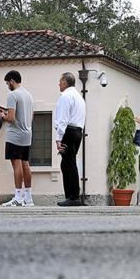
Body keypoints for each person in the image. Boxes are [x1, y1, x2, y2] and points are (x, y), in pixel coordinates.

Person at [1, 70, 34, 207]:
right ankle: (28, 198)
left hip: (15, 135)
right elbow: (31, 116)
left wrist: (3, 115)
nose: (8, 85)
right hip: (27, 133)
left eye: (8, 83)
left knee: (16, 164)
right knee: (25, 163)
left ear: (12, 81)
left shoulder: (12, 95)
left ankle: (18, 197)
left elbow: (11, 117)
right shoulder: (28, 95)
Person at [54, 72, 86, 207]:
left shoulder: (65, 97)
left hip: (69, 131)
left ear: (65, 83)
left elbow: (62, 119)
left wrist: (58, 138)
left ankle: (73, 196)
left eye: (60, 81)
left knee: (68, 163)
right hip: (78, 131)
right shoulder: (79, 97)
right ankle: (72, 195)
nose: (59, 84)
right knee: (68, 162)